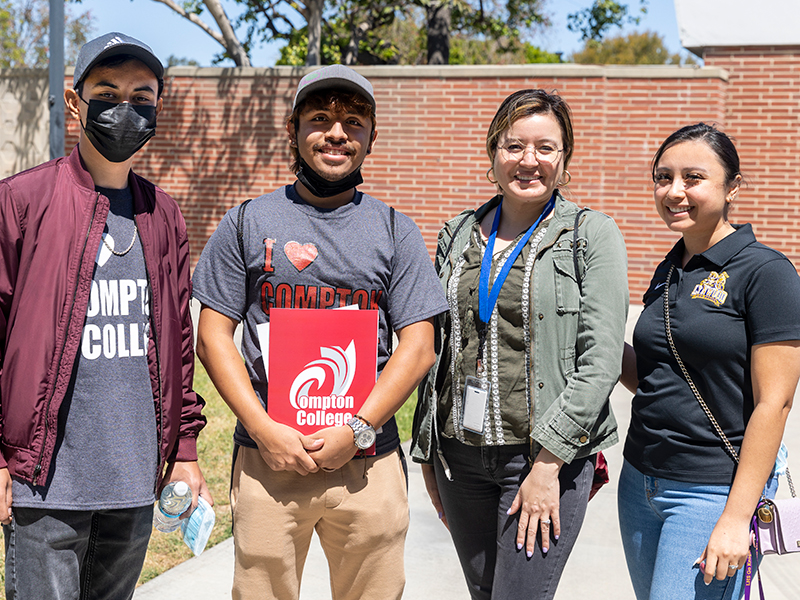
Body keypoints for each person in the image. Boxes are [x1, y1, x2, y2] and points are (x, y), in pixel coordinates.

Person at [192, 64, 448, 600]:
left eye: (353, 121)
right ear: (294, 130)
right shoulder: (246, 222)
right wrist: (263, 430)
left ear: (371, 138)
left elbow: (419, 345)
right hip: (269, 463)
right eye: (321, 118)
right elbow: (213, 336)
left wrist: (357, 429)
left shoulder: (396, 231)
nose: (337, 132)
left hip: (367, 464)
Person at [0, 32, 212, 599]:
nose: (126, 109)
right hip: (46, 486)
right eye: (108, 92)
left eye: (142, 96)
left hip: (133, 483)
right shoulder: (22, 202)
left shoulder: (163, 215)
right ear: (76, 103)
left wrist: (184, 452)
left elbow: (178, 345)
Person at [410, 89, 629, 600]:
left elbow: (600, 361)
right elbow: (439, 347)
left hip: (541, 458)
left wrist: (548, 465)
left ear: (564, 157)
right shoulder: (458, 232)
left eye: (545, 148)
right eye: (513, 146)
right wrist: (428, 453)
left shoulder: (590, 233)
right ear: (492, 155)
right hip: (462, 456)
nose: (529, 161)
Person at [617, 123, 800, 600]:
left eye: (693, 177)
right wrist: (592, 341)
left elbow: (775, 404)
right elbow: (659, 378)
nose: (674, 191)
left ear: (732, 187)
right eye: (663, 177)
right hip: (640, 482)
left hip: (710, 492)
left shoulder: (766, 272)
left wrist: (737, 518)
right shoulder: (669, 266)